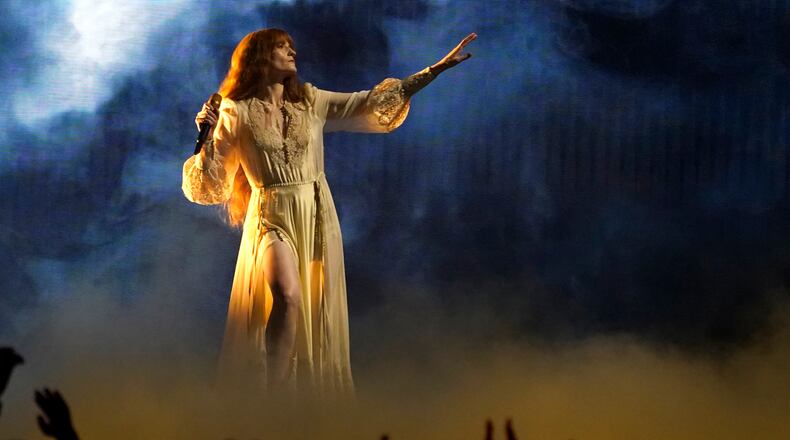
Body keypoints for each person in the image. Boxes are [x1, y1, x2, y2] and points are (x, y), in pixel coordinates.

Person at [182, 28, 476, 396]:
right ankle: (273, 398)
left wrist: (434, 70)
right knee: (287, 295)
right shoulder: (234, 110)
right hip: (271, 214)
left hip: (315, 211)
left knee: (311, 304)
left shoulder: (309, 100)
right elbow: (210, 185)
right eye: (281, 47)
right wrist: (206, 138)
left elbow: (369, 103)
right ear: (259, 57)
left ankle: (296, 398)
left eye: (292, 46)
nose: (292, 51)